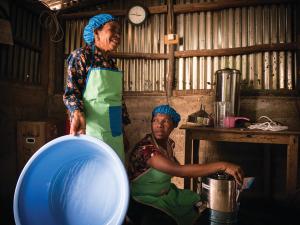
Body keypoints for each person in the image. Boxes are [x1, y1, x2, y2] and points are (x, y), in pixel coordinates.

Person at [127, 104, 244, 225]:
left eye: (165, 121)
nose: (159, 125)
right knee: (162, 220)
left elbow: (181, 170)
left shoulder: (168, 144)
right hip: (143, 199)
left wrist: (209, 176)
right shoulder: (146, 149)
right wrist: (223, 166)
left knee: (198, 204)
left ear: (174, 125)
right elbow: (179, 170)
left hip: (166, 195)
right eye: (155, 120)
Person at [63, 14, 130, 162]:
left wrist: (123, 132)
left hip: (115, 131)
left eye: (119, 32)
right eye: (112, 30)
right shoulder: (81, 56)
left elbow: (118, 99)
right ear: (96, 32)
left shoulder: (111, 63)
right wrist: (77, 113)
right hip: (91, 129)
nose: (118, 35)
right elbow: (71, 93)